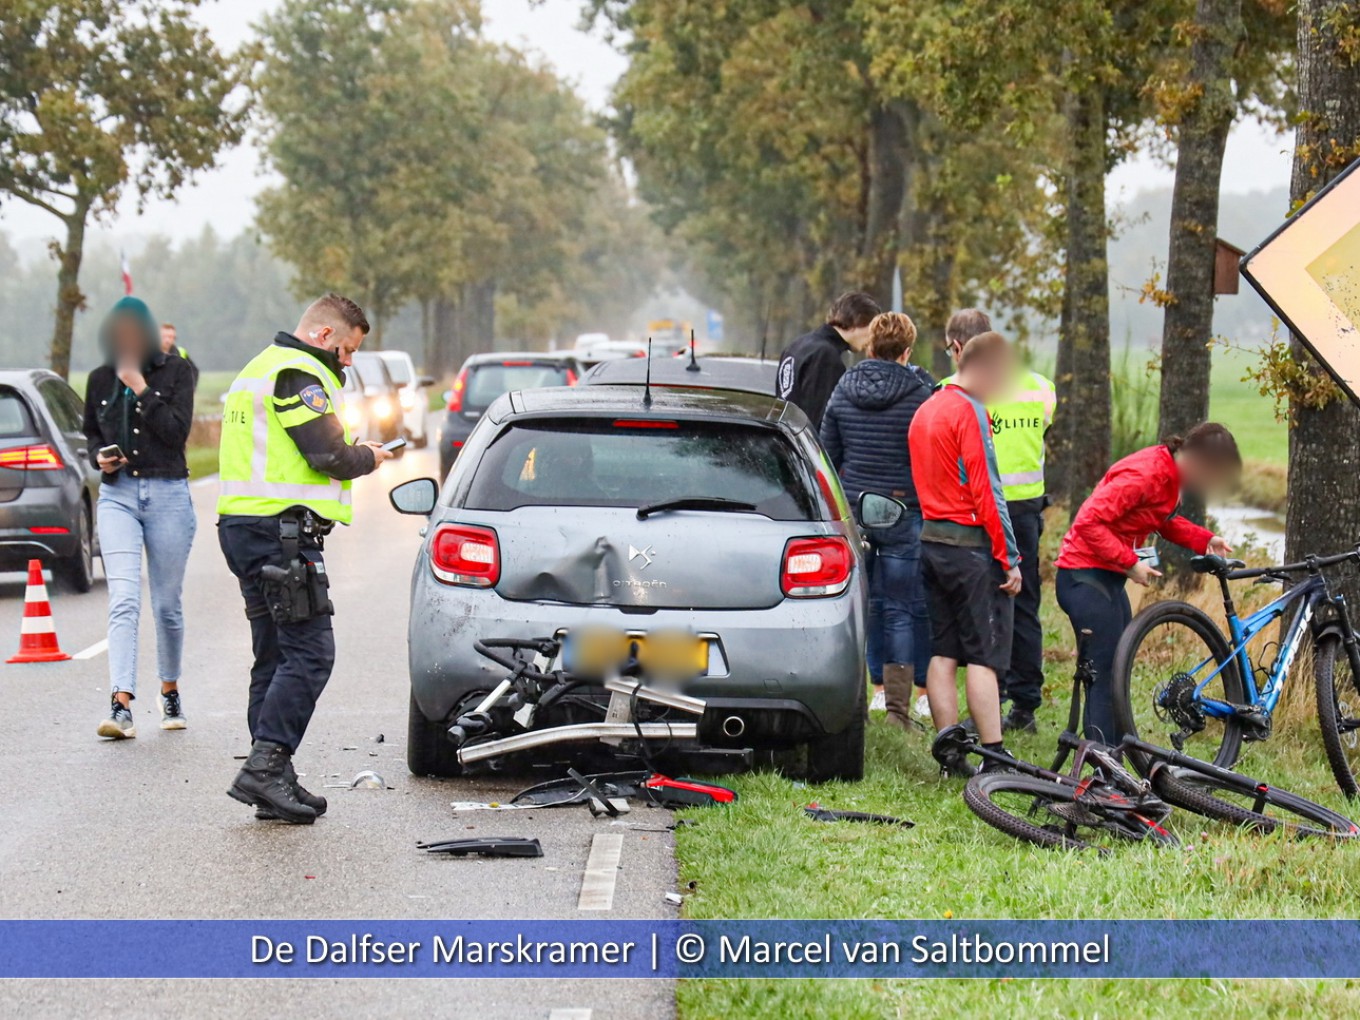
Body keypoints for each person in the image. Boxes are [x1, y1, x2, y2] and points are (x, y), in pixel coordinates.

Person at [217, 293, 394, 823]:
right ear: (323, 335)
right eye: (346, 349)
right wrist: (372, 456)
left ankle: (273, 777)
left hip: (248, 528)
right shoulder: (298, 373)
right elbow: (328, 456)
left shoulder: (259, 368)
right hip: (281, 535)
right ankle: (267, 767)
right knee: (311, 653)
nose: (347, 361)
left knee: (273, 656)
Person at [1055, 423, 1240, 745]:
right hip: (1083, 576)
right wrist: (1129, 562)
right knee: (1105, 673)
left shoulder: (1171, 473)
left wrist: (1205, 539)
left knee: (1117, 668)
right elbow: (1088, 522)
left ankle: (1117, 758)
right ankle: (1103, 767)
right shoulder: (1147, 474)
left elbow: (1160, 520)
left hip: (1106, 575)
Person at [84, 297, 198, 740]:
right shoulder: (98, 379)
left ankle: (169, 689)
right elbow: (92, 432)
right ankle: (121, 703)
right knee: (124, 599)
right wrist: (100, 457)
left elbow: (176, 433)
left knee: (167, 605)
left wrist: (139, 388)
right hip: (118, 496)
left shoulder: (176, 372)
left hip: (168, 490)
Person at [909, 331, 1022, 776]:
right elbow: (987, 491)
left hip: (931, 542)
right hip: (970, 549)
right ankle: (993, 755)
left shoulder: (926, 407)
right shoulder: (968, 411)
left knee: (943, 650)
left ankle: (949, 753)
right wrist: (1009, 557)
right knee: (982, 656)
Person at [940, 308, 1056, 733]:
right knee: (1024, 605)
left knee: (978, 606)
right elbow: (1042, 432)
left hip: (973, 511)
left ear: (958, 347)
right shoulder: (1041, 387)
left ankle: (991, 694)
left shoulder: (951, 390)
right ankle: (1025, 704)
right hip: (1025, 510)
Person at [821, 311, 934, 728]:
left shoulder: (843, 389)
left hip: (855, 512)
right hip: (905, 511)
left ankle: (859, 698)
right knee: (901, 609)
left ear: (869, 347)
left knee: (857, 606)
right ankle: (898, 713)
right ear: (907, 351)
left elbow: (827, 454)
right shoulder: (921, 395)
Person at [777, 292, 880, 430]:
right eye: (872, 329)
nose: (872, 338)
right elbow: (820, 421)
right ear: (859, 321)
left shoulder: (796, 346)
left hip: (786, 441)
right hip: (808, 447)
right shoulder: (826, 357)